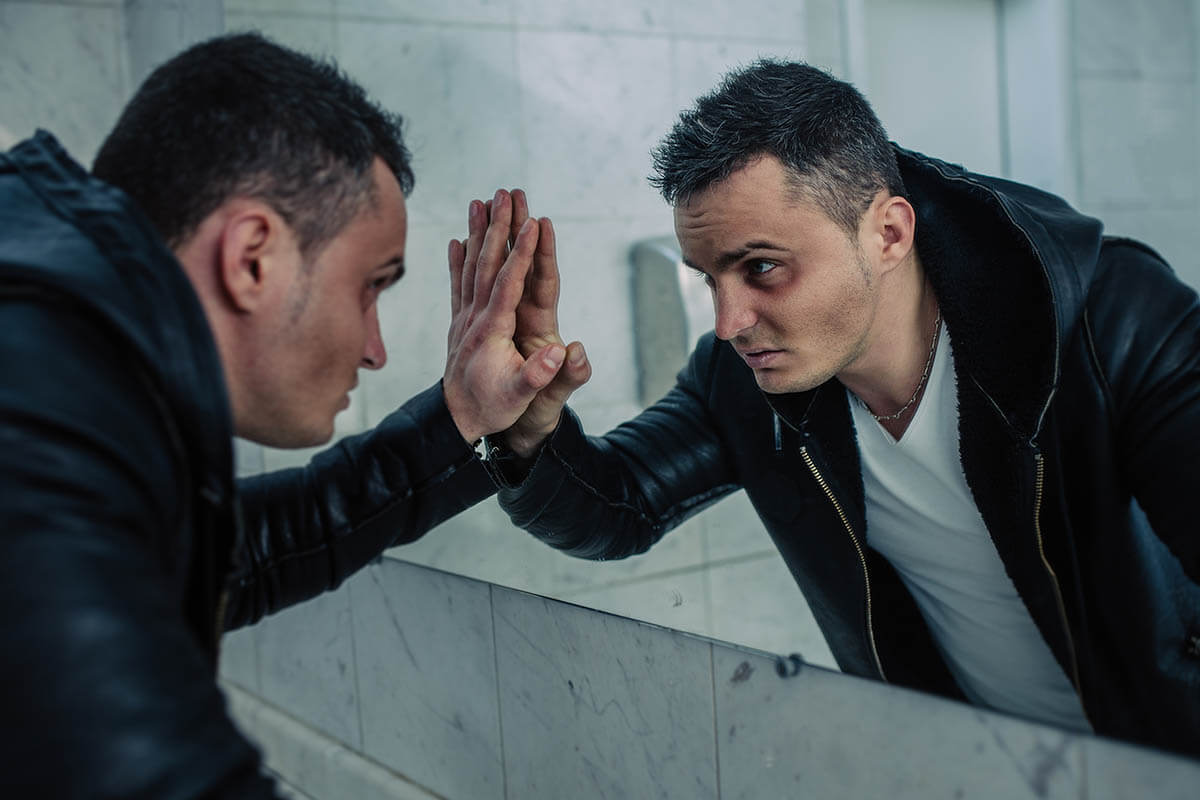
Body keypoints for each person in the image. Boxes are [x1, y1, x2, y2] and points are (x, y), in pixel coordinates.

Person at [489, 60, 1200, 758]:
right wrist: (527, 429)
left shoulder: (1112, 322)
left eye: (762, 267)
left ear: (888, 233)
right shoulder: (739, 380)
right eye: (710, 278)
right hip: (971, 769)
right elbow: (616, 508)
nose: (730, 320)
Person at [0, 33, 571, 797]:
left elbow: (226, 557)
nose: (373, 349)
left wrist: (461, 414)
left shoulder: (65, 350)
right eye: (371, 285)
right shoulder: (37, 401)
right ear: (252, 257)